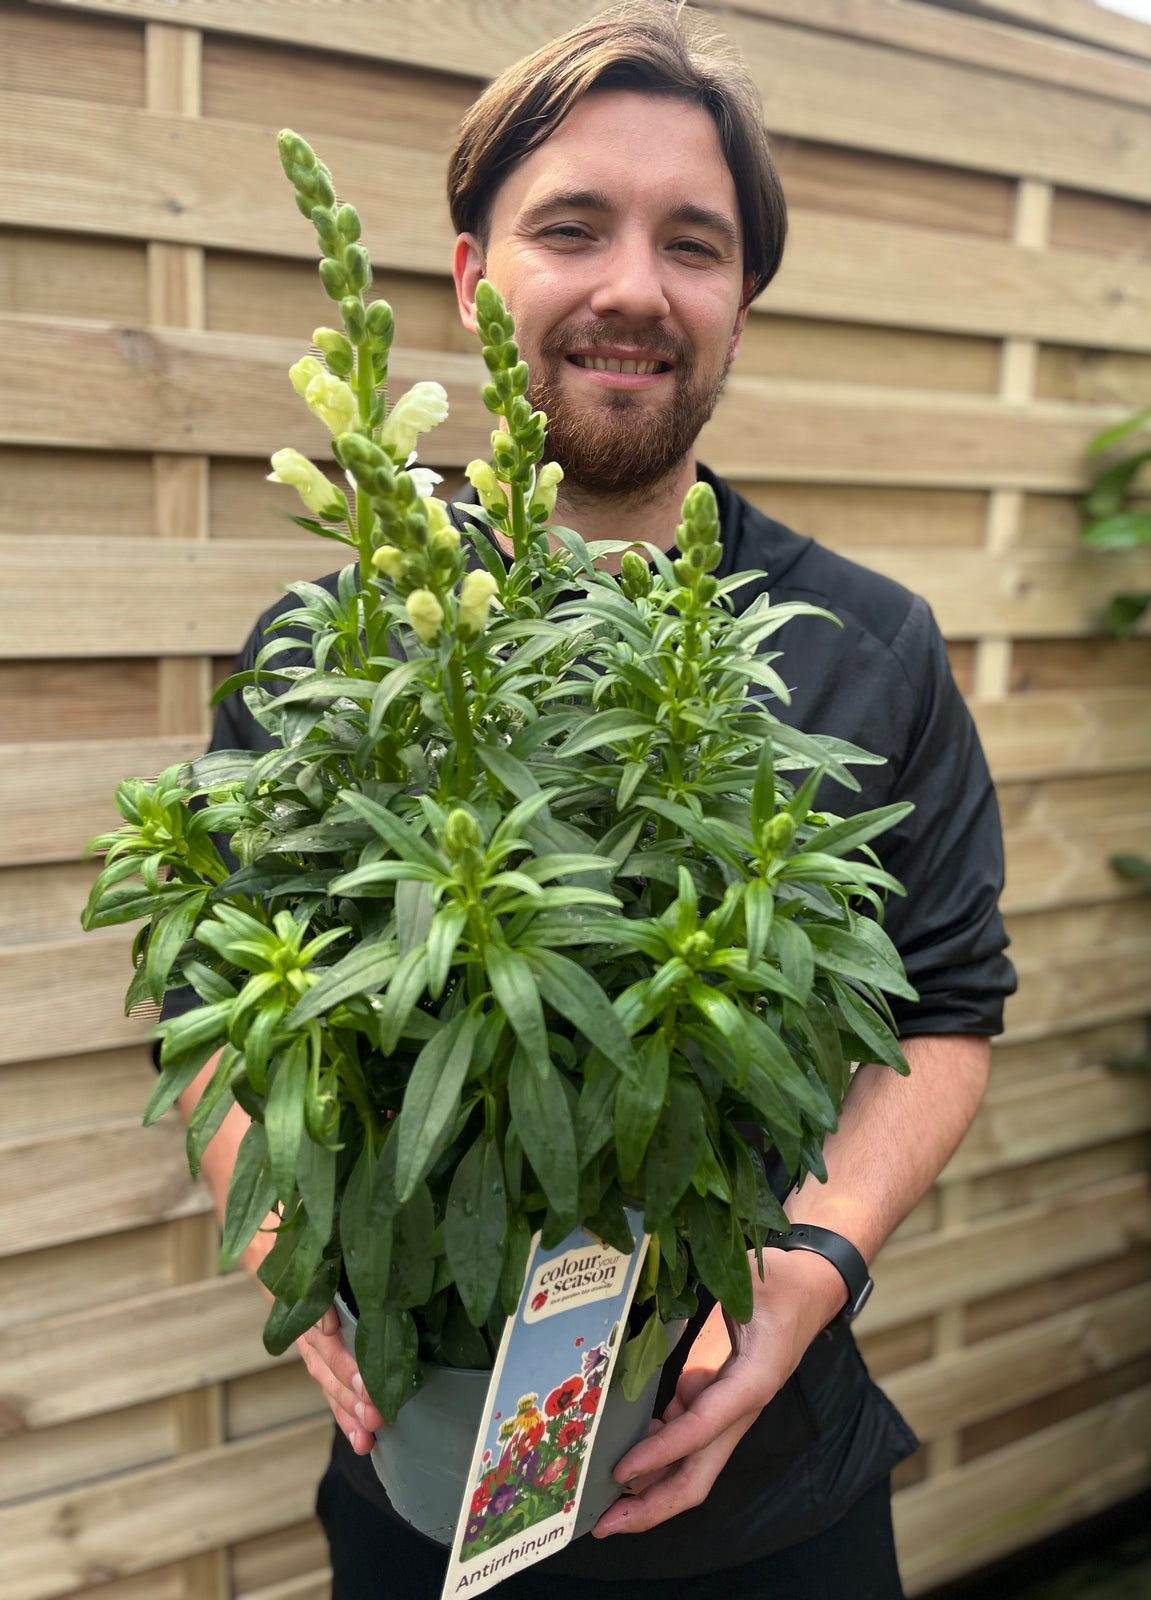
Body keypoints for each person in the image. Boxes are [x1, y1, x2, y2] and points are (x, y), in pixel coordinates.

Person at [168, 7, 1015, 1595]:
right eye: (574, 226)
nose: (635, 286)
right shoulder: (331, 648)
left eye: (694, 244)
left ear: (741, 305)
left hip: (767, 1501)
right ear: (479, 276)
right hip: (415, 1486)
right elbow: (223, 1006)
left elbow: (953, 1003)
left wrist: (814, 1264)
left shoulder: (869, 647)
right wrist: (292, 1243)